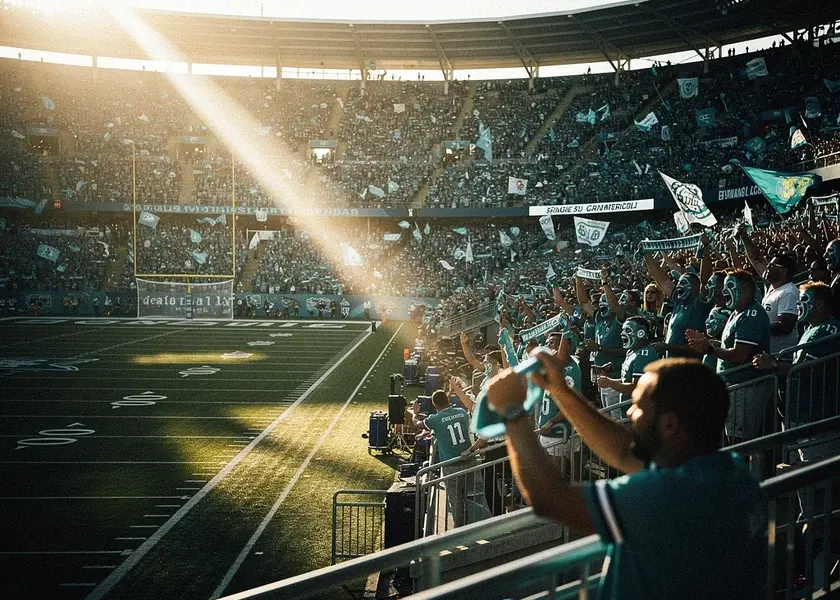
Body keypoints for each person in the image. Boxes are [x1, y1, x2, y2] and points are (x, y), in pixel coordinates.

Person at [484, 344, 767, 600]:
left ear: (669, 425)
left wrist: (512, 413)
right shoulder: (732, 474)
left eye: (637, 406)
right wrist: (559, 389)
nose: (629, 414)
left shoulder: (666, 495)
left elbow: (549, 498)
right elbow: (623, 452)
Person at [687, 269, 771, 442]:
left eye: (730, 286)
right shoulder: (736, 313)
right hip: (735, 386)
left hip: (746, 387)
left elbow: (740, 355)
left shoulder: (751, 314)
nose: (724, 291)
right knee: (732, 438)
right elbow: (730, 347)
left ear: (747, 289)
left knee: (739, 442)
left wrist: (709, 349)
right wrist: (709, 344)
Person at [413, 389, 491, 528]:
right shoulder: (461, 413)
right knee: (472, 497)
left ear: (435, 405)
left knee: (456, 501)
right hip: (470, 461)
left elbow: (417, 424)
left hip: (451, 465)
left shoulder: (435, 420)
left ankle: (459, 530)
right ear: (448, 401)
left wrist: (415, 413)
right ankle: (476, 526)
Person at [596, 316, 660, 419]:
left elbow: (637, 388)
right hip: (628, 410)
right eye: (622, 330)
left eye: (628, 330)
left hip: (640, 415)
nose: (622, 334)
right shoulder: (632, 352)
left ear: (641, 333)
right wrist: (610, 381)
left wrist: (609, 383)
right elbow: (627, 380)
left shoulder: (645, 355)